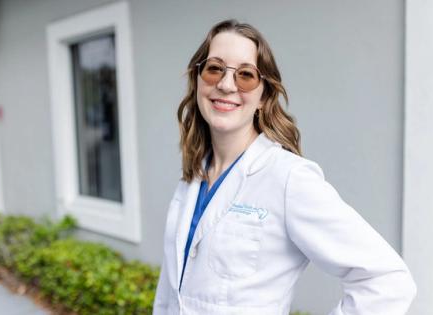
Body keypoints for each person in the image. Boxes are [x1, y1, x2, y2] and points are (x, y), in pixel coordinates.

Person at [153, 19, 417, 315]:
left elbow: (389, 281)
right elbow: (170, 292)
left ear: (264, 96)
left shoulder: (288, 178)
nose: (226, 85)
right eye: (214, 68)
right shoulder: (193, 176)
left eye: (246, 75)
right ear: (198, 79)